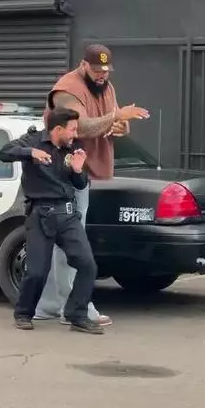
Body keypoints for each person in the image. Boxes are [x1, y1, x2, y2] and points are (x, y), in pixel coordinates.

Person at [34, 43, 150, 326]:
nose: (102, 75)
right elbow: (82, 126)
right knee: (70, 241)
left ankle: (48, 305)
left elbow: (117, 124)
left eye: (106, 71)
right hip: (65, 172)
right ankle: (76, 307)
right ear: (83, 65)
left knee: (60, 239)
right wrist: (114, 118)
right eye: (97, 70)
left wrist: (120, 124)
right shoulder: (67, 89)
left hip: (83, 172)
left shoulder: (106, 88)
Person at [0, 108, 104, 335]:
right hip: (40, 214)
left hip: (66, 214)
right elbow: (4, 152)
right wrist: (30, 153)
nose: (75, 134)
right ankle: (24, 313)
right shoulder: (34, 139)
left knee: (87, 264)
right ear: (58, 129)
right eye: (72, 129)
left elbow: (80, 184)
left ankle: (77, 315)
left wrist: (77, 171)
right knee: (37, 271)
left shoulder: (73, 148)